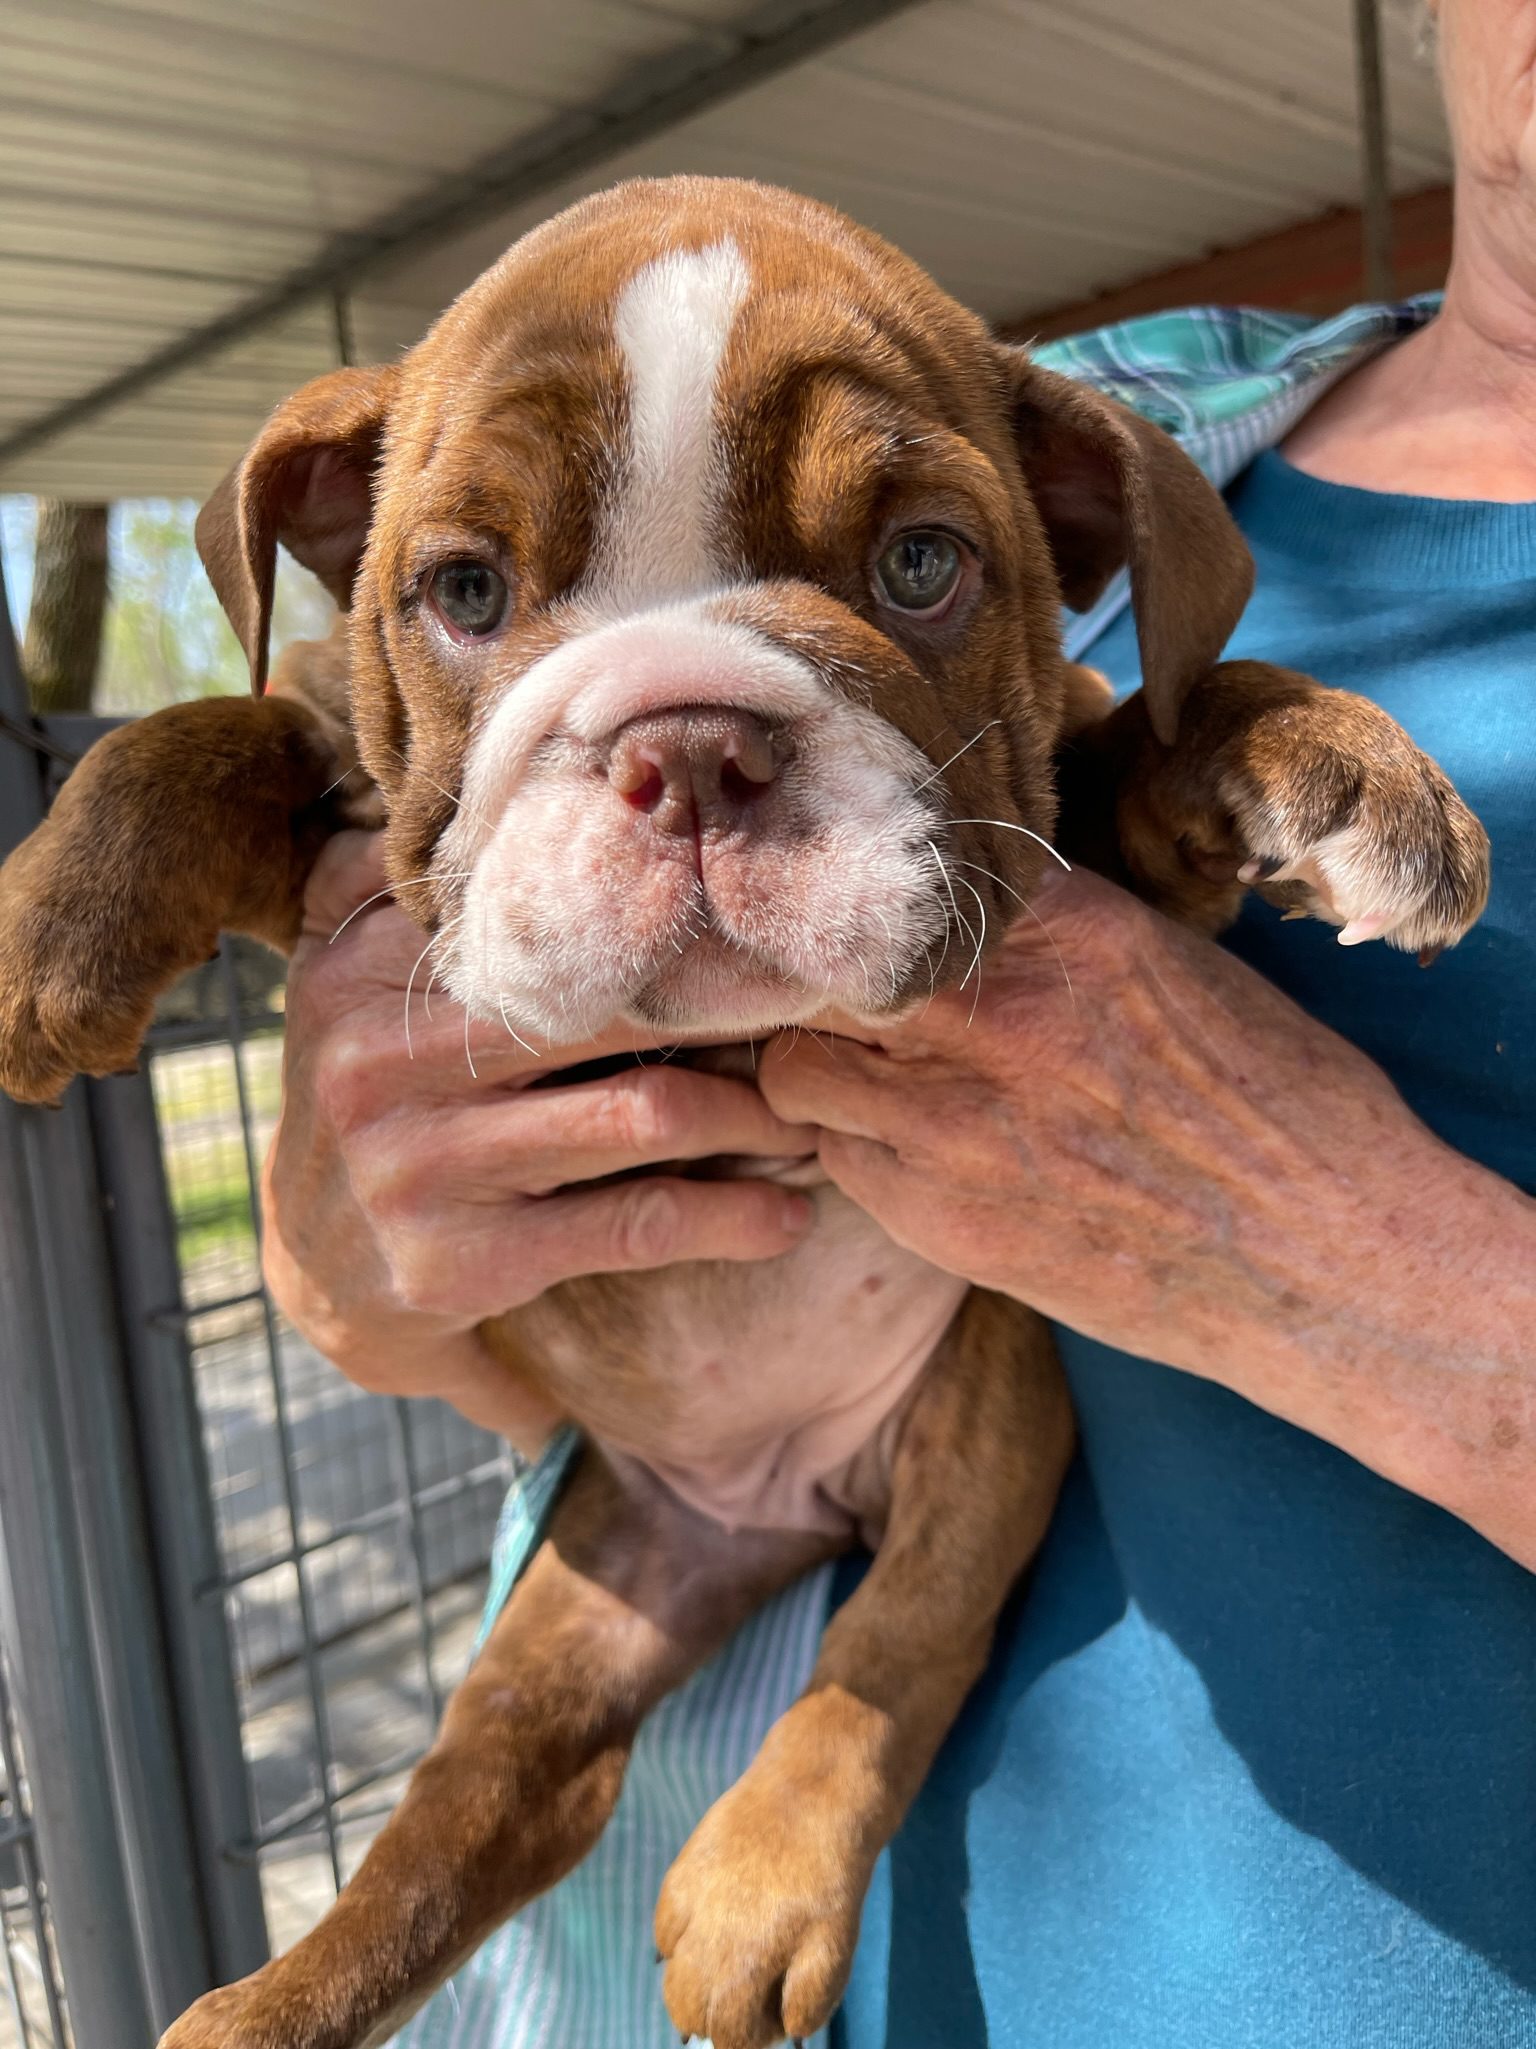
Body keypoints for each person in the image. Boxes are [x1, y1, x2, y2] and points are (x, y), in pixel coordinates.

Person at [262, 2, 1535, 2041]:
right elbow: (547, 1382)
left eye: (920, 564)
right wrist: (378, 1245)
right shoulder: (1097, 404)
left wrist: (1386, 1280)